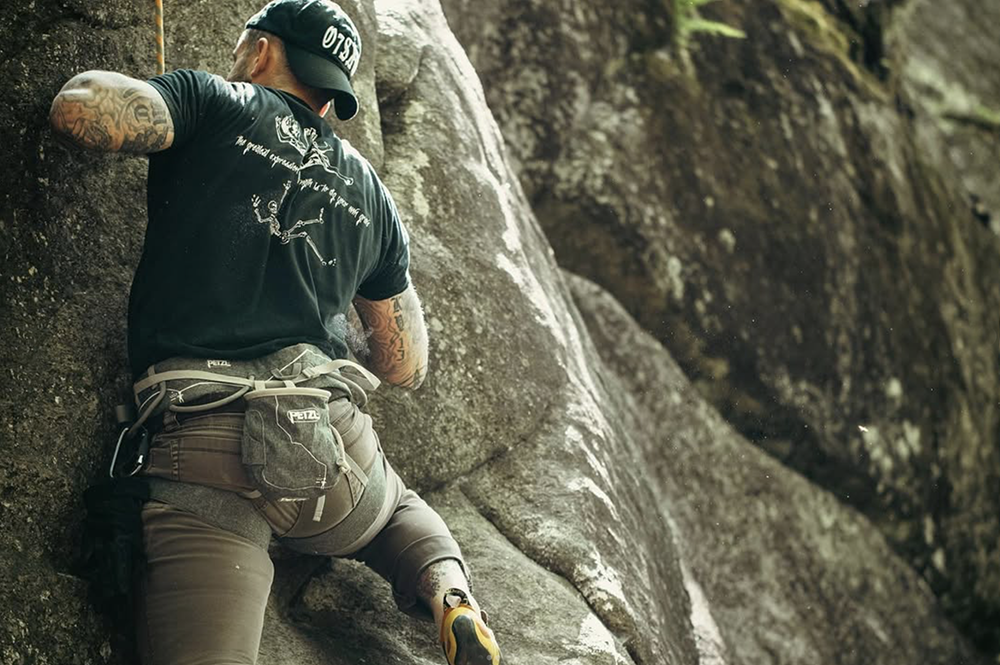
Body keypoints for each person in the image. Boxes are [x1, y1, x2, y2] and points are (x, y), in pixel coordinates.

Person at [48, 1, 501, 663]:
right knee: (399, 510)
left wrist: (166, 99)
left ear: (260, 52)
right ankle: (448, 591)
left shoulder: (216, 101)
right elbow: (405, 362)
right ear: (332, 94)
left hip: (208, 456)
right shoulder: (369, 191)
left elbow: (80, 109)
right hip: (329, 449)